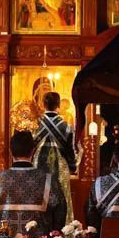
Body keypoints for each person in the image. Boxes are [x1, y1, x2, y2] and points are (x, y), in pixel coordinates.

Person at [34, 91, 77, 223]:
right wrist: (72, 167)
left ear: (43, 104)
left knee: (39, 198)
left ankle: (38, 229)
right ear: (58, 105)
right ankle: (64, 232)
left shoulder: (35, 124)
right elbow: (71, 152)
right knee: (61, 199)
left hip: (37, 167)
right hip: (60, 169)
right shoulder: (67, 127)